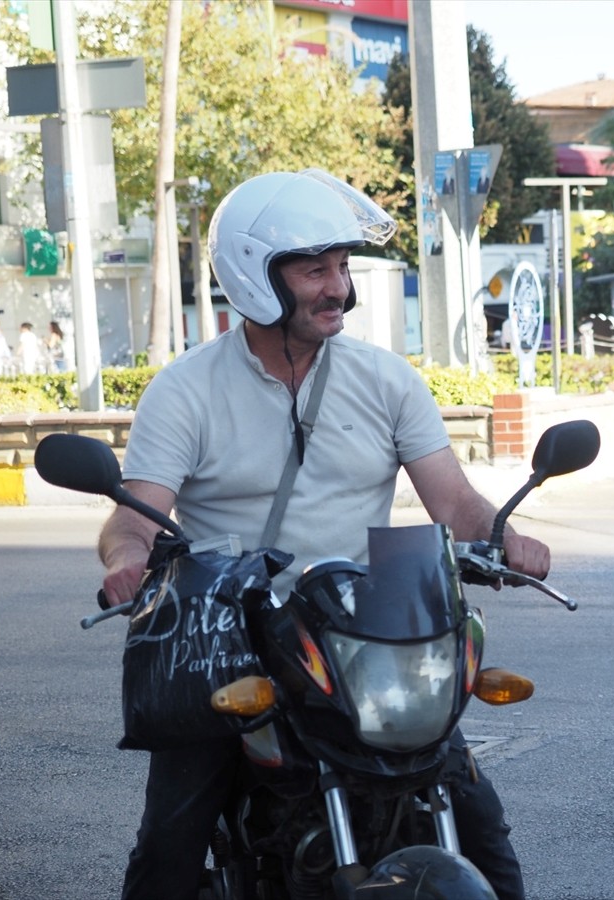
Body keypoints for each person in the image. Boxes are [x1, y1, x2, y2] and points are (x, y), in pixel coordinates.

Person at [98, 168, 542, 900]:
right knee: (173, 837)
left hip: (356, 637)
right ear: (254, 275)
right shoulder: (186, 389)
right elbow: (134, 515)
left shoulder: (388, 381)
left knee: (476, 817)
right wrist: (127, 559)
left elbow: (454, 502)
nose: (338, 287)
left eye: (341, 267)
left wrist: (506, 537)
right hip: (235, 639)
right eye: (315, 270)